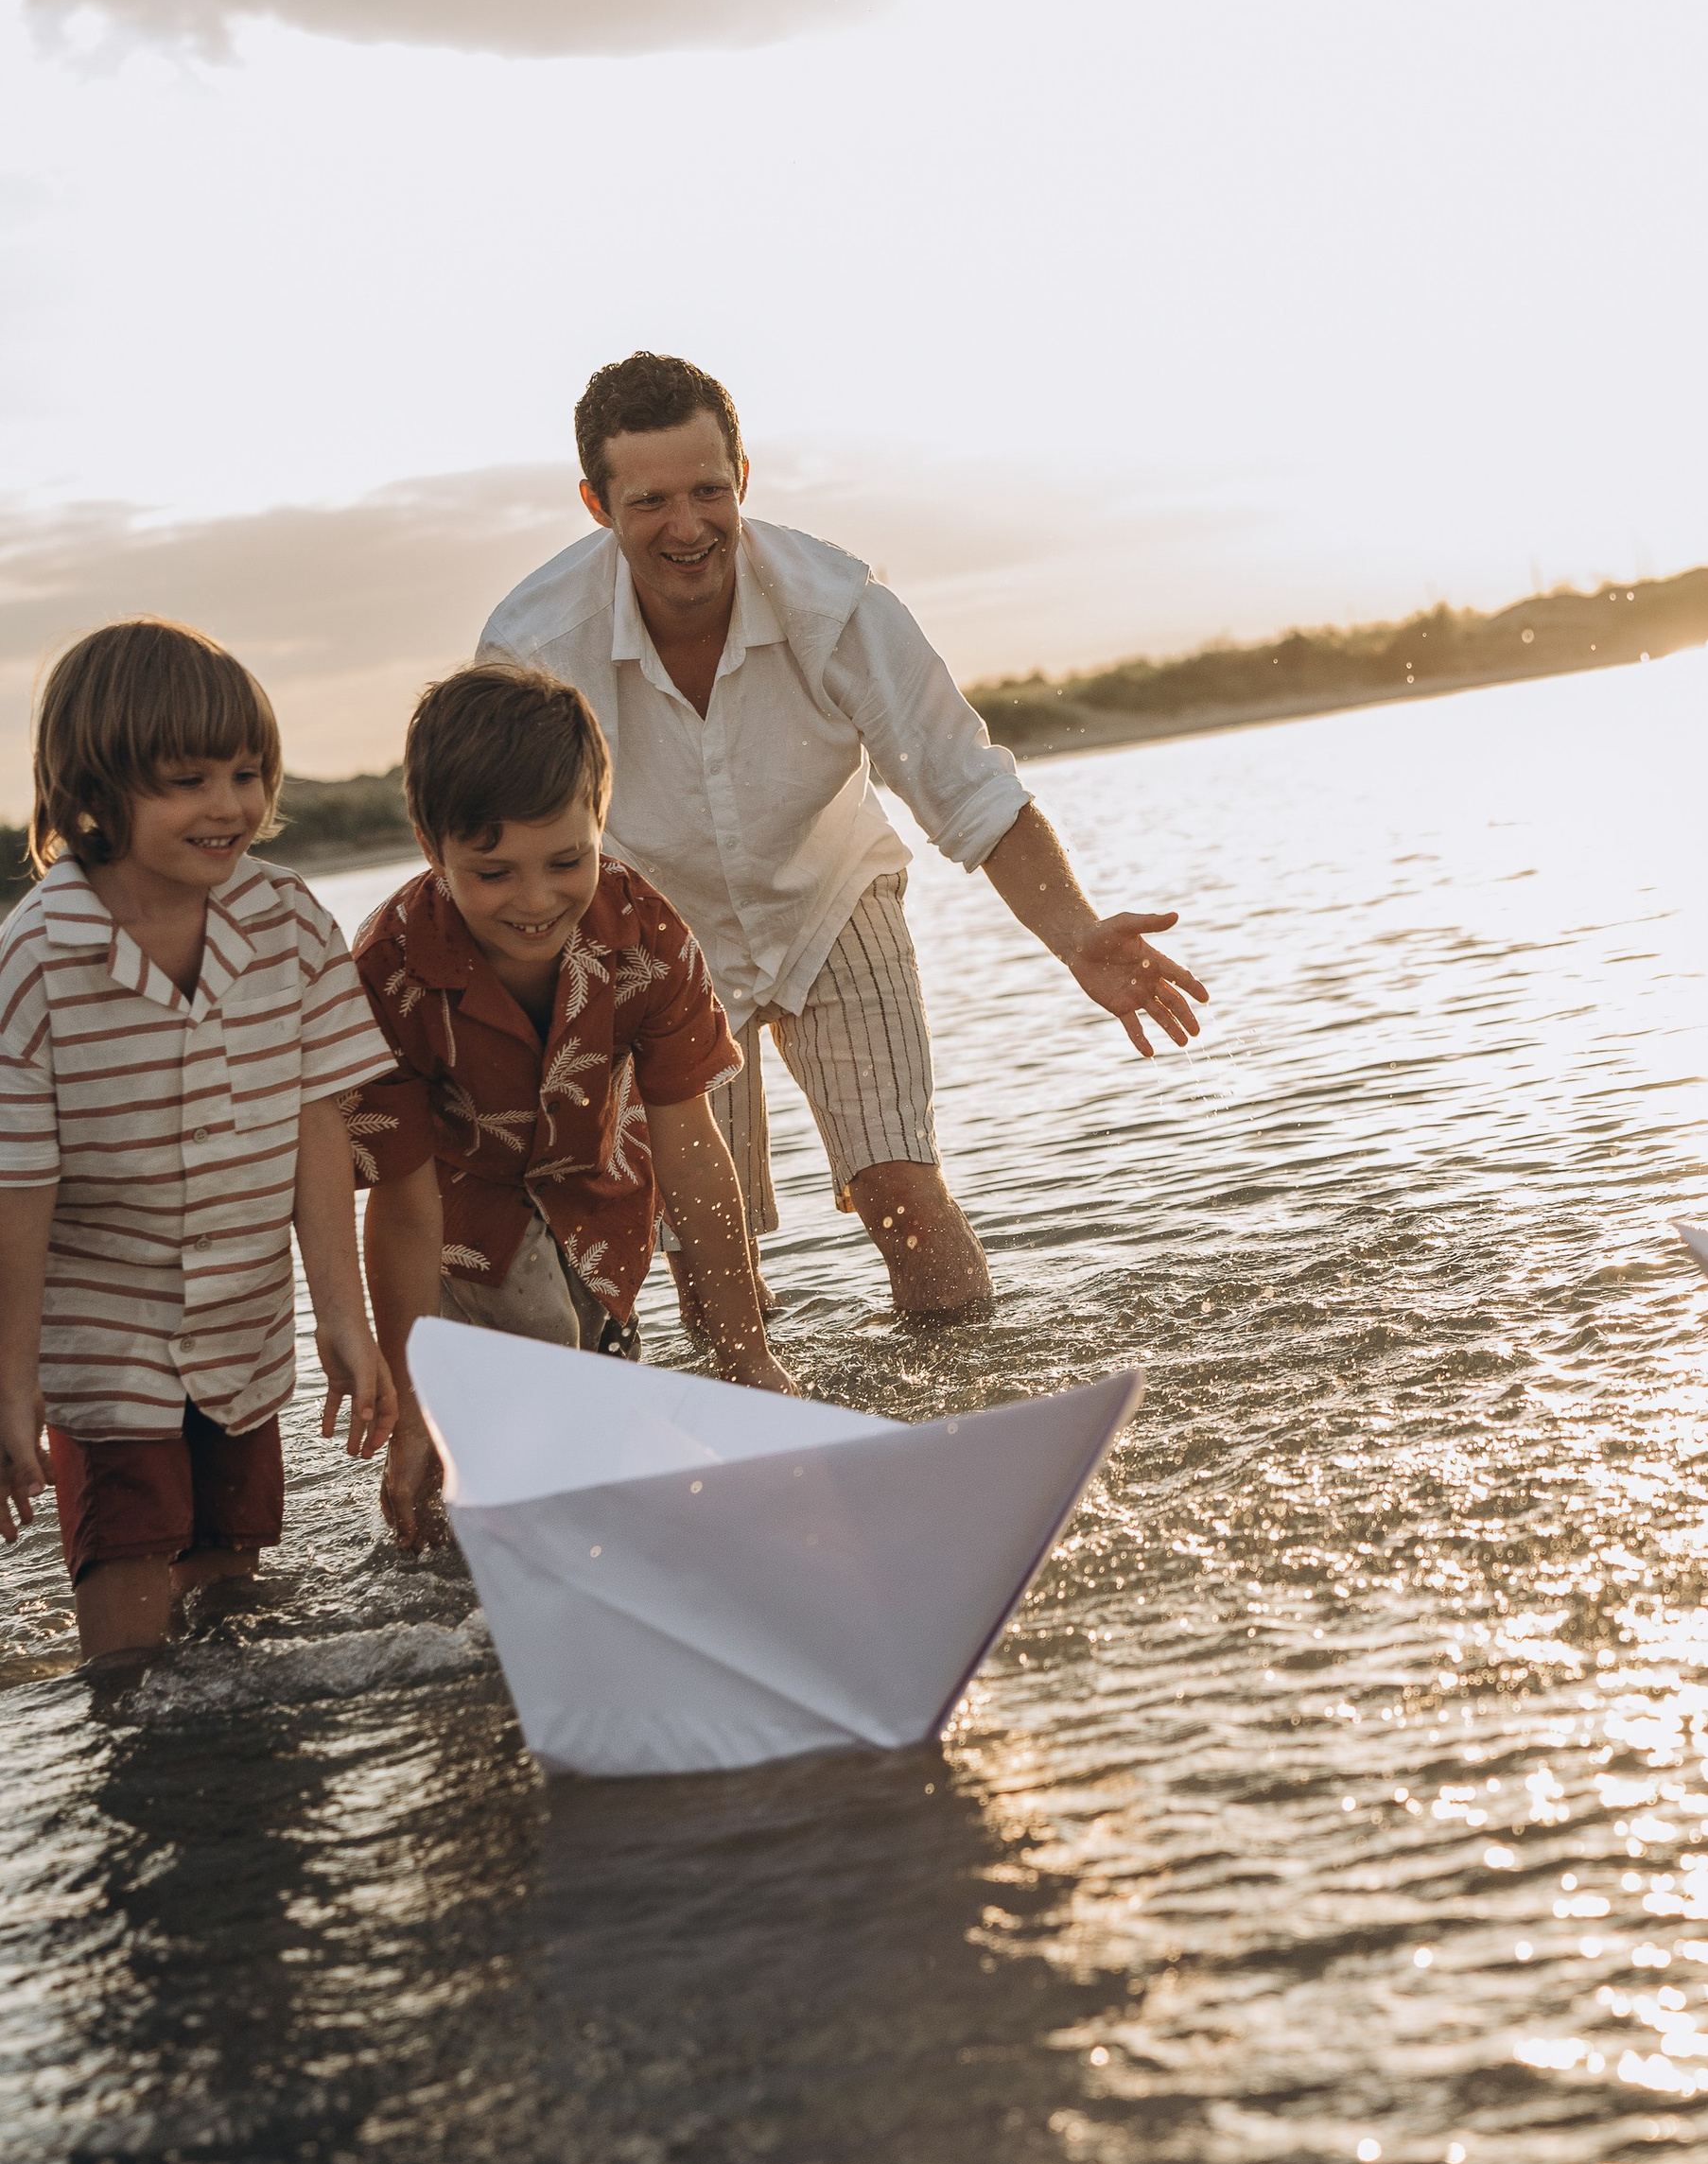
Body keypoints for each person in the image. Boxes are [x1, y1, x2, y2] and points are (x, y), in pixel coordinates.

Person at [478, 351, 1209, 1321]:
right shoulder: (532, 646)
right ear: (597, 505)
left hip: (832, 897)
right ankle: (752, 1402)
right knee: (710, 1257)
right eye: (650, 502)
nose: (688, 527)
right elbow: (504, 862)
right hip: (650, 942)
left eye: (707, 490)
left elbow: (967, 785)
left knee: (901, 1191)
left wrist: (1076, 933)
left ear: (742, 477)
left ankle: (973, 1386)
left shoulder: (837, 605)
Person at [0, 619, 397, 1661]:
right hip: (103, 1340)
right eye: (188, 781)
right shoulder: (36, 960)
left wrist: (343, 1316)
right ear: (96, 789)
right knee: (130, 1622)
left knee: (233, 1589)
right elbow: (17, 1190)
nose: (229, 805)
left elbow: (316, 1120)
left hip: (243, 1329)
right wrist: (11, 1381)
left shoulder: (289, 922)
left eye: (247, 773)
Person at [346, 658, 795, 1550]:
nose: (536, 899)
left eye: (566, 861)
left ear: (600, 820)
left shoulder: (646, 934)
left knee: (605, 1402)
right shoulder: (388, 973)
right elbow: (400, 1206)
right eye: (494, 873)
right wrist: (412, 1413)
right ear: (433, 849)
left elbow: (691, 1147)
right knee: (538, 1356)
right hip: (461, 1214)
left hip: (599, 1194)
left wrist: (748, 1355)